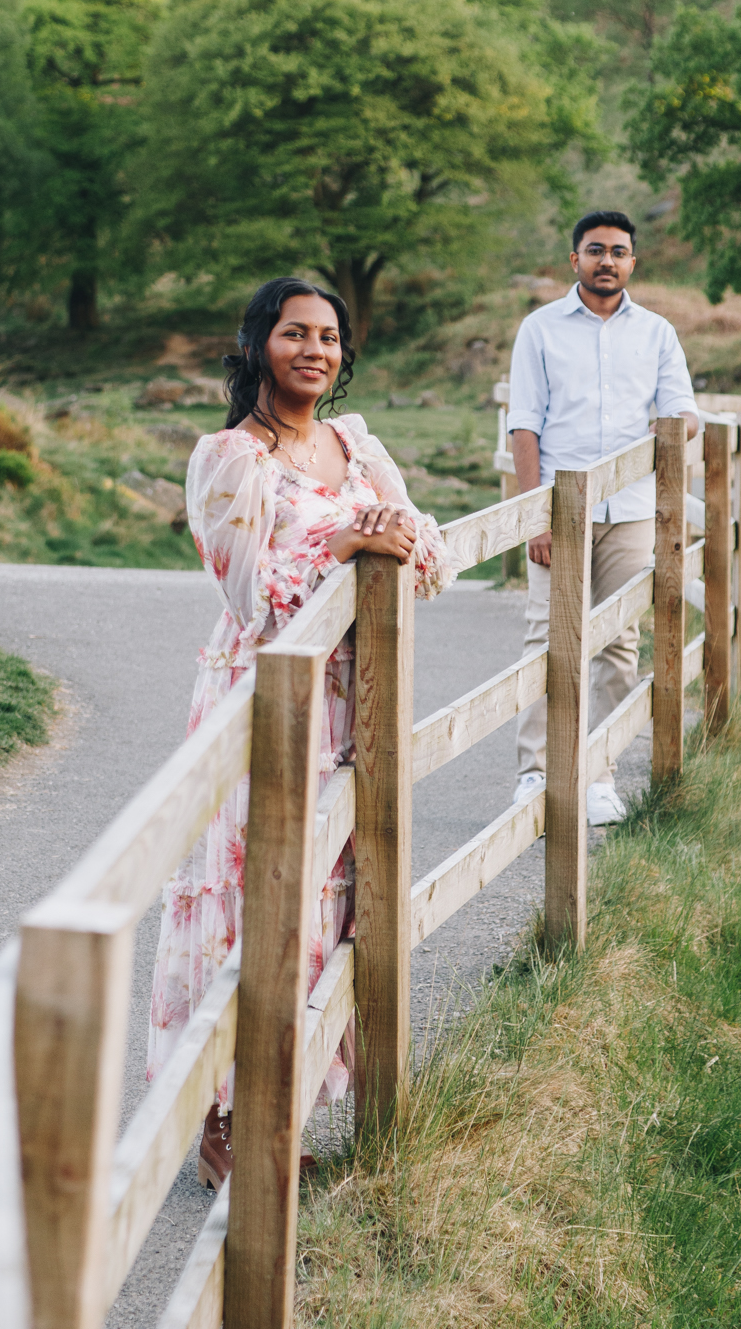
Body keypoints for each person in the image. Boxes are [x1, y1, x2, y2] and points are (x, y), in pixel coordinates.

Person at [146, 275, 453, 1193]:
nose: (313, 350)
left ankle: (278, 1107)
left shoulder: (353, 445)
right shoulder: (229, 458)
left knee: (323, 905)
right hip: (264, 701)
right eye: (293, 334)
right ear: (256, 346)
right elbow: (249, 592)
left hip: (352, 704)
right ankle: (218, 1125)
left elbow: (426, 552)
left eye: (327, 337)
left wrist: (390, 531)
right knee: (249, 903)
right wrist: (344, 545)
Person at [508, 210, 698, 825]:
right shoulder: (539, 330)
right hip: (560, 511)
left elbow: (683, 411)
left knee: (618, 644)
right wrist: (533, 518)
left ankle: (600, 775)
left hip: (634, 507)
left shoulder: (657, 333)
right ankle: (536, 772)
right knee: (548, 638)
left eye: (618, 252)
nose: (606, 261)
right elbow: (525, 426)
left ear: (632, 263)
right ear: (575, 261)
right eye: (595, 250)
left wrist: (670, 426)